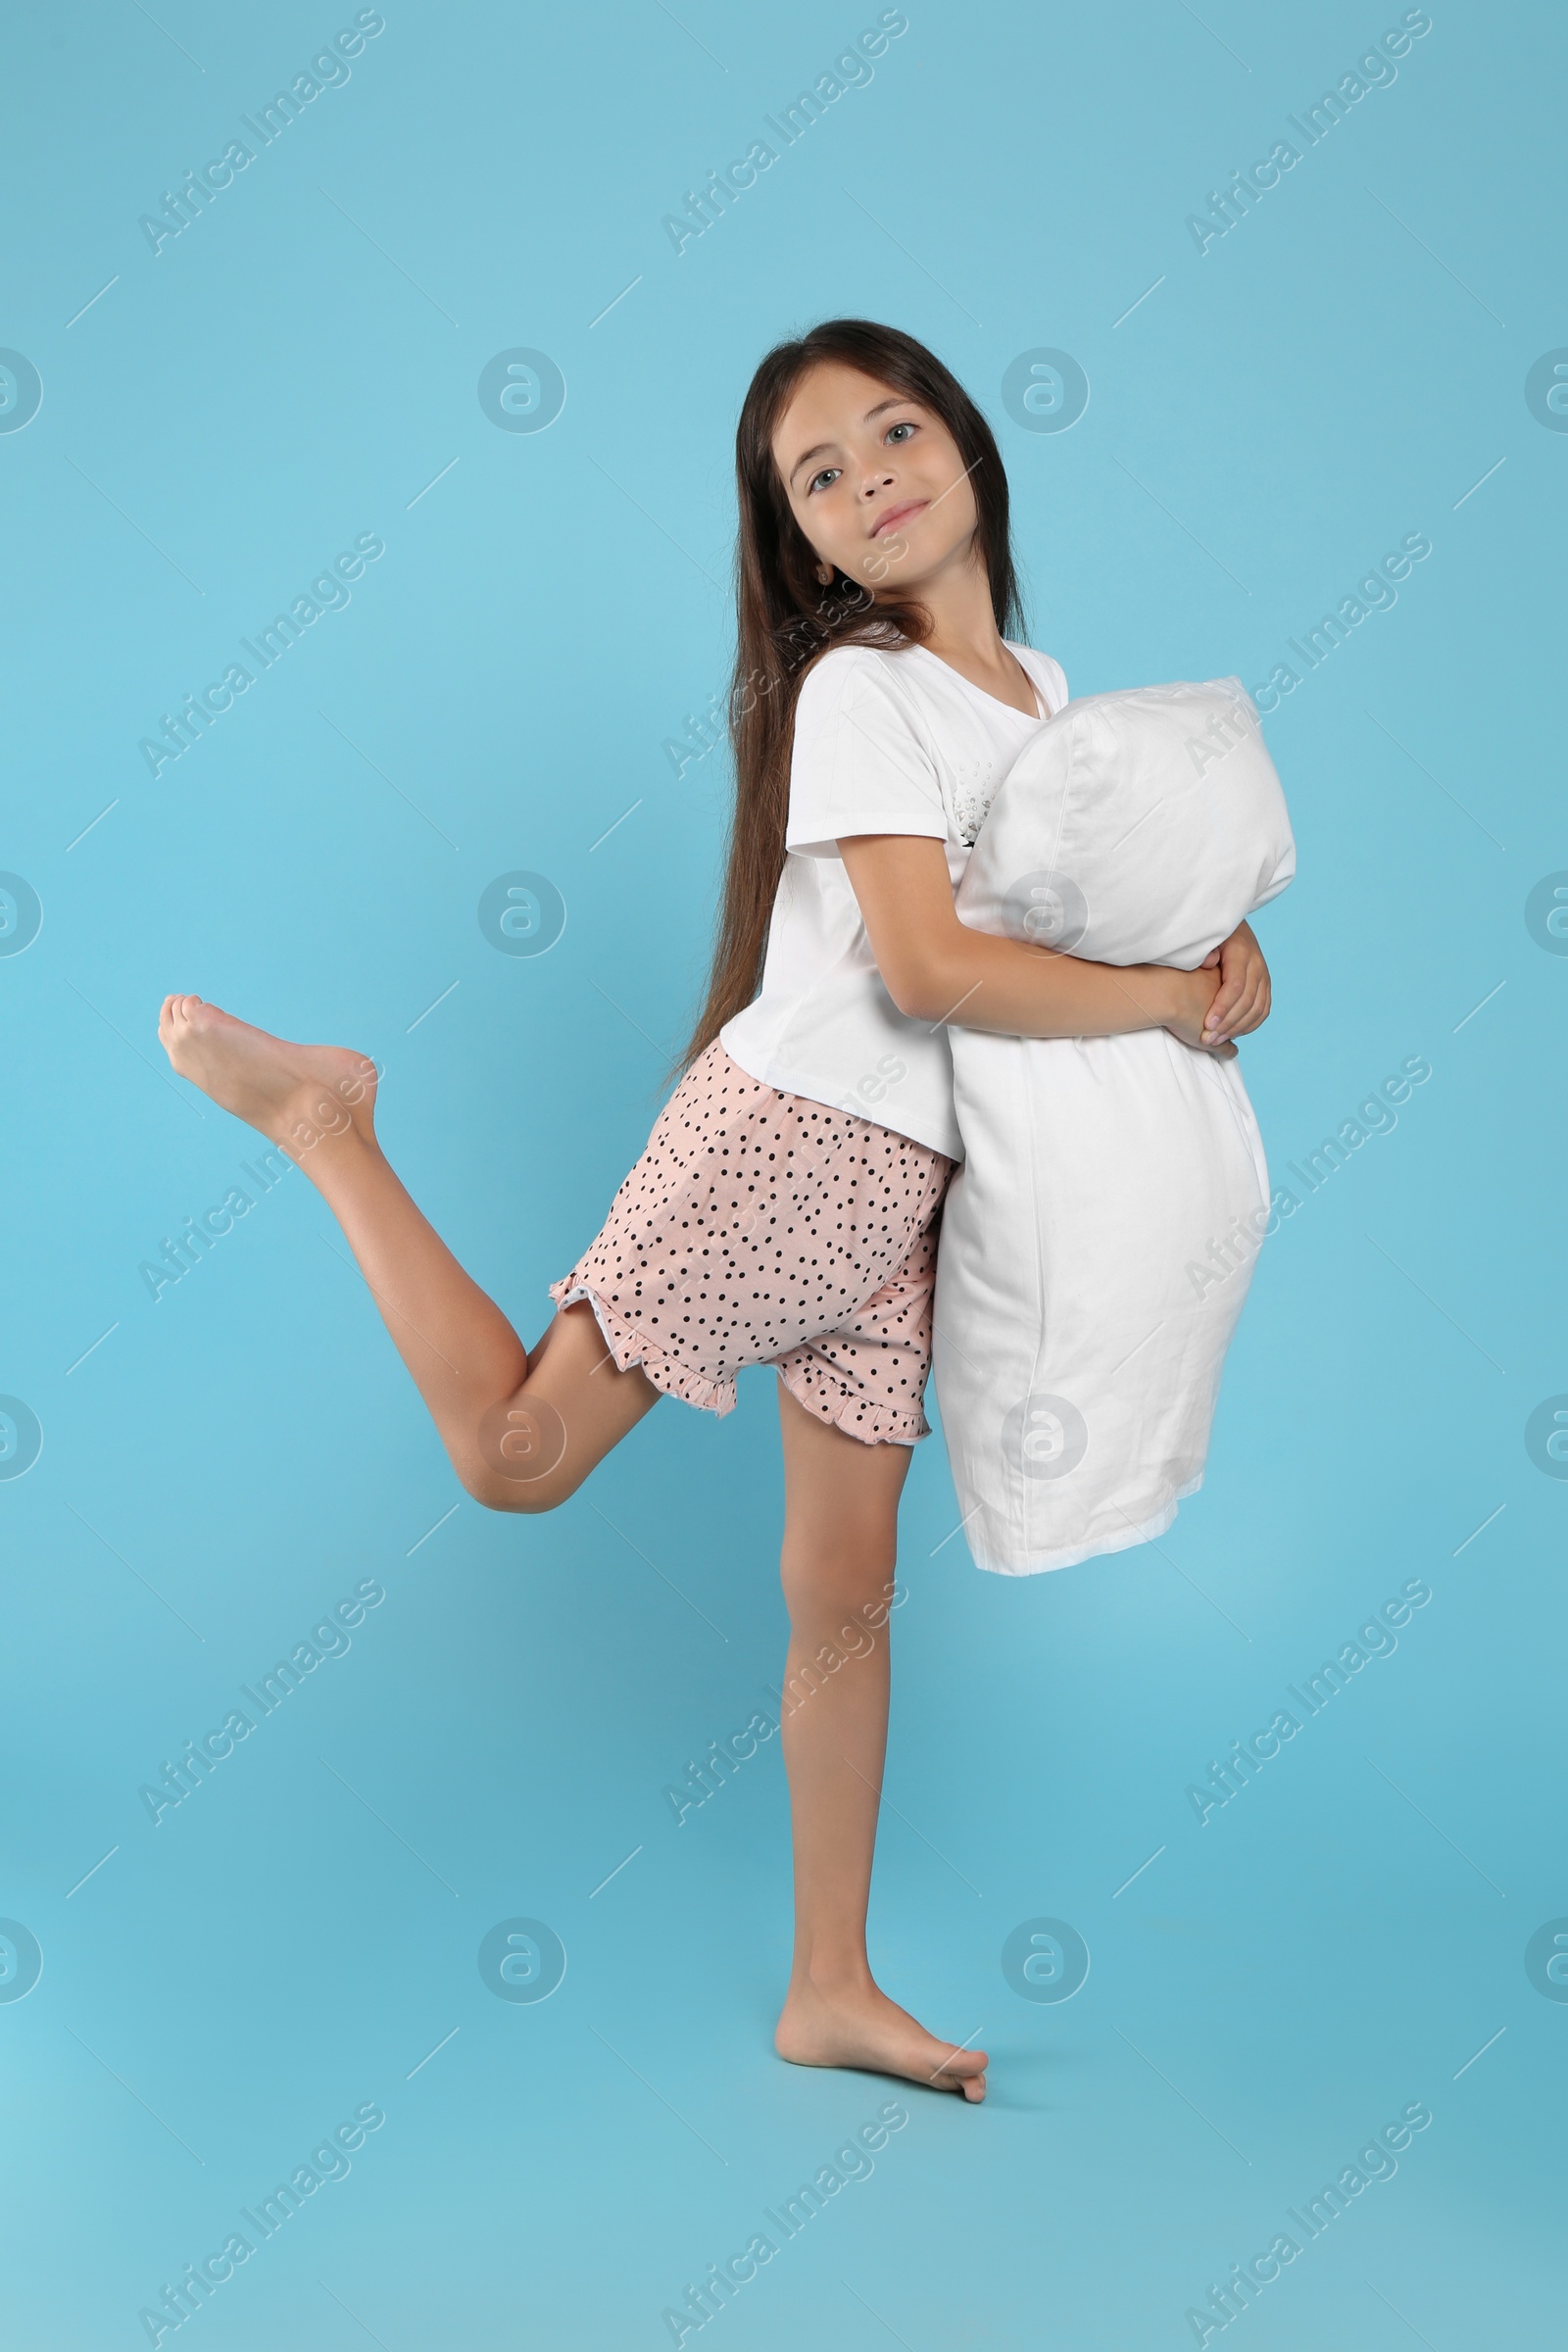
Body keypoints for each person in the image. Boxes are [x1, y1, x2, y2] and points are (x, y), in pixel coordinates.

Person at [157, 318, 1271, 2104]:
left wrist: (1218, 943)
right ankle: (329, 1126)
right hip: (792, 1141)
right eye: (816, 478)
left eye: (891, 432)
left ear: (970, 445)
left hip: (917, 1197)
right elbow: (924, 965)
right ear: (803, 546)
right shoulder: (861, 693)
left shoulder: (1050, 697)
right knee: (516, 1457)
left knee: (844, 1588)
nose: (867, 480)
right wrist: (1156, 997)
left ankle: (827, 1983)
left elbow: (1084, 908)